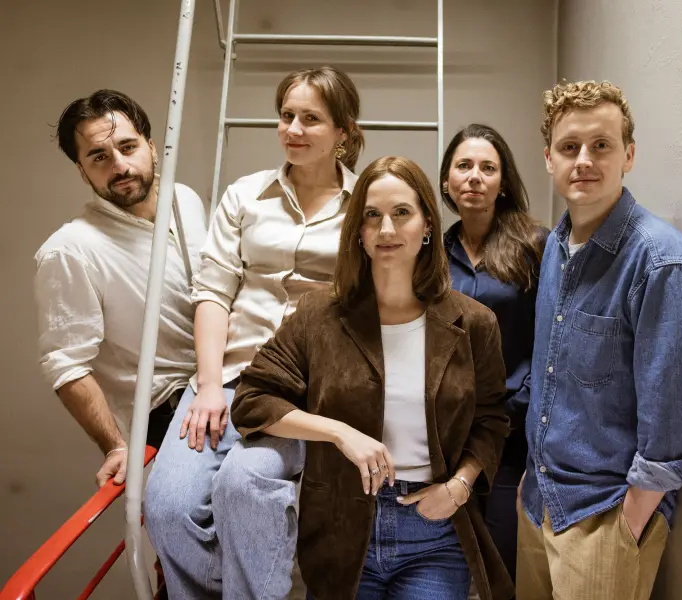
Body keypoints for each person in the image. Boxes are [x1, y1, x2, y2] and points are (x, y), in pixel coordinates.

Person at [231, 155, 514, 600]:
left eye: (401, 213)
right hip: (341, 531)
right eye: (371, 215)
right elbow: (252, 398)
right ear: (358, 232)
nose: (386, 229)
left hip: (435, 533)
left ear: (427, 225)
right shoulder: (319, 315)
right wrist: (338, 432)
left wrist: (460, 487)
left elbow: (492, 419)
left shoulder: (474, 322)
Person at [144, 66, 363, 599]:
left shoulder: (365, 205)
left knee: (243, 488)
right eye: (286, 116)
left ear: (342, 131)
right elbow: (214, 293)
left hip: (300, 393)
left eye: (311, 118)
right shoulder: (245, 194)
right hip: (227, 376)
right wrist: (209, 385)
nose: (293, 129)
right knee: (166, 506)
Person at [516, 80, 682, 600]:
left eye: (601, 145)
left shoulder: (659, 260)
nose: (584, 160)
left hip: (604, 518)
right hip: (538, 503)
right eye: (569, 146)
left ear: (629, 155)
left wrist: (631, 520)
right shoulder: (555, 246)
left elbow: (673, 415)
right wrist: (532, 480)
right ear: (549, 160)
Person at [34, 89, 207, 488]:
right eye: (99, 157)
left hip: (225, 384)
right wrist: (115, 446)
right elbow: (66, 364)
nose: (120, 166)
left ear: (152, 146)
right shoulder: (70, 249)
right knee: (181, 515)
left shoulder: (184, 199)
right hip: (167, 410)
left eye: (128, 147)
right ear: (82, 171)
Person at [439, 123, 548, 583]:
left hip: (511, 430)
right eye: (464, 165)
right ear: (447, 179)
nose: (474, 177)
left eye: (488, 168)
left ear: (502, 182)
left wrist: (521, 402)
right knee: (449, 558)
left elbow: (552, 337)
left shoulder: (536, 245)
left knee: (501, 561)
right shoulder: (433, 253)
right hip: (448, 432)